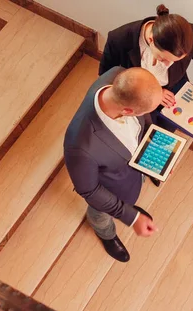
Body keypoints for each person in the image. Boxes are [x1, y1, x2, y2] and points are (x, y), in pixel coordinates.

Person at [64, 67, 163, 262]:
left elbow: (143, 124)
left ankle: (130, 205)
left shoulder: (118, 74)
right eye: (146, 112)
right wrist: (131, 217)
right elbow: (90, 191)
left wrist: (155, 155)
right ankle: (106, 234)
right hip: (109, 190)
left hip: (129, 172)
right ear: (127, 111)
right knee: (99, 214)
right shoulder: (81, 145)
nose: (147, 115)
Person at [99, 4, 193, 138]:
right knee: (137, 135)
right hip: (137, 97)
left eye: (175, 61)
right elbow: (105, 77)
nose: (167, 65)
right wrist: (154, 92)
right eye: (163, 59)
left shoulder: (189, 36)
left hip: (173, 95)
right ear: (151, 39)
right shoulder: (119, 38)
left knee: (161, 137)